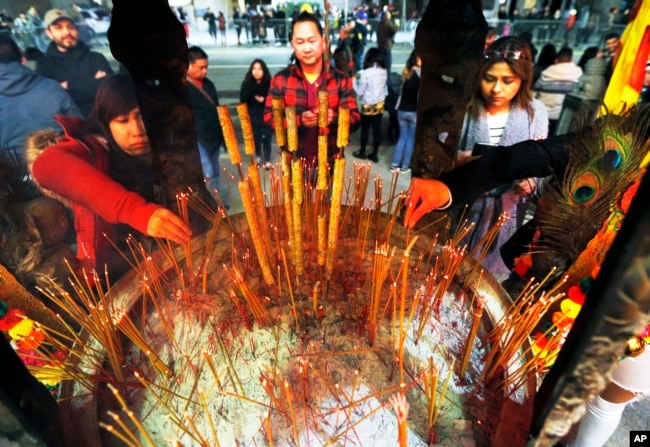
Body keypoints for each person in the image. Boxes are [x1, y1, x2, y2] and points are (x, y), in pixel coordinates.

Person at [404, 106, 650, 447]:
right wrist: (449, 189)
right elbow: (535, 155)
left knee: (607, 398)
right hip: (549, 279)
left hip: (638, 316)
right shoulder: (636, 134)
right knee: (498, 367)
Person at [30, 74, 192, 279]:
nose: (137, 131)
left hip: (172, 265)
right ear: (106, 123)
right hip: (109, 275)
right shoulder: (95, 151)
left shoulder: (170, 148)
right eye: (123, 121)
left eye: (143, 116)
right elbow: (46, 165)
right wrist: (136, 211)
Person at [455, 36, 548, 281]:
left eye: (508, 81)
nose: (497, 89)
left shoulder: (534, 112)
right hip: (467, 208)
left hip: (507, 211)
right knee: (452, 271)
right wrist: (460, 160)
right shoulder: (465, 108)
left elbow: (540, 161)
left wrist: (532, 181)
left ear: (523, 79)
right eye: (489, 79)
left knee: (488, 280)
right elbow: (440, 157)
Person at [263, 12, 360, 168]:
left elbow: (355, 119)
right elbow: (269, 118)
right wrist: (298, 121)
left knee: (329, 193)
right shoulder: (281, 80)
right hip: (294, 164)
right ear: (292, 44)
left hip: (329, 162)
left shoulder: (340, 80)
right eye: (300, 42)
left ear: (323, 43)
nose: (306, 48)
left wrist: (335, 118)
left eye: (312, 41)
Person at [0, 35, 81, 157]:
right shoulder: (51, 87)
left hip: (13, 170)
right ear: (22, 57)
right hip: (62, 163)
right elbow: (79, 127)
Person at [36, 9, 114, 117]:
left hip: (102, 121)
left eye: (70, 27)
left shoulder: (95, 58)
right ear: (48, 33)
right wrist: (92, 84)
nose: (67, 32)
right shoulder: (44, 65)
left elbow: (109, 91)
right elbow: (49, 100)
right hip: (70, 127)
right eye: (59, 28)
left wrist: (66, 86)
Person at [186, 46, 223, 197]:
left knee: (215, 170)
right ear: (188, 65)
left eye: (206, 67)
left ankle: (217, 201)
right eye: (201, 68)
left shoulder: (208, 84)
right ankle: (212, 204)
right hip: (197, 138)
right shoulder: (181, 88)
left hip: (213, 137)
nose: (205, 71)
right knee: (208, 171)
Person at [534, 46, 583, 136]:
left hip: (543, 115)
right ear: (571, 60)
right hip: (564, 118)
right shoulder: (579, 77)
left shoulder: (545, 75)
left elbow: (533, 96)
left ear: (556, 61)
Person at [352, 48, 387, 163]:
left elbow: (360, 92)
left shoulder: (366, 73)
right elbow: (385, 89)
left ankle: (362, 152)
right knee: (377, 130)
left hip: (367, 104)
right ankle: (374, 154)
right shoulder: (384, 71)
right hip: (380, 104)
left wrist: (353, 82)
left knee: (365, 129)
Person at [390, 50, 420, 174]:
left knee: (402, 138)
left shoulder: (407, 72)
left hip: (401, 111)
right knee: (410, 140)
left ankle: (394, 165)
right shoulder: (421, 73)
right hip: (413, 112)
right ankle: (404, 167)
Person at [240, 58, 272, 168]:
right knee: (256, 137)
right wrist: (251, 97)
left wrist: (264, 100)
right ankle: (258, 156)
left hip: (266, 115)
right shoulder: (247, 84)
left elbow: (274, 100)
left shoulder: (269, 84)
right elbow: (242, 101)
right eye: (254, 69)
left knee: (267, 138)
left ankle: (267, 159)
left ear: (264, 71)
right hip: (253, 115)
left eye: (259, 69)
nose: (256, 72)